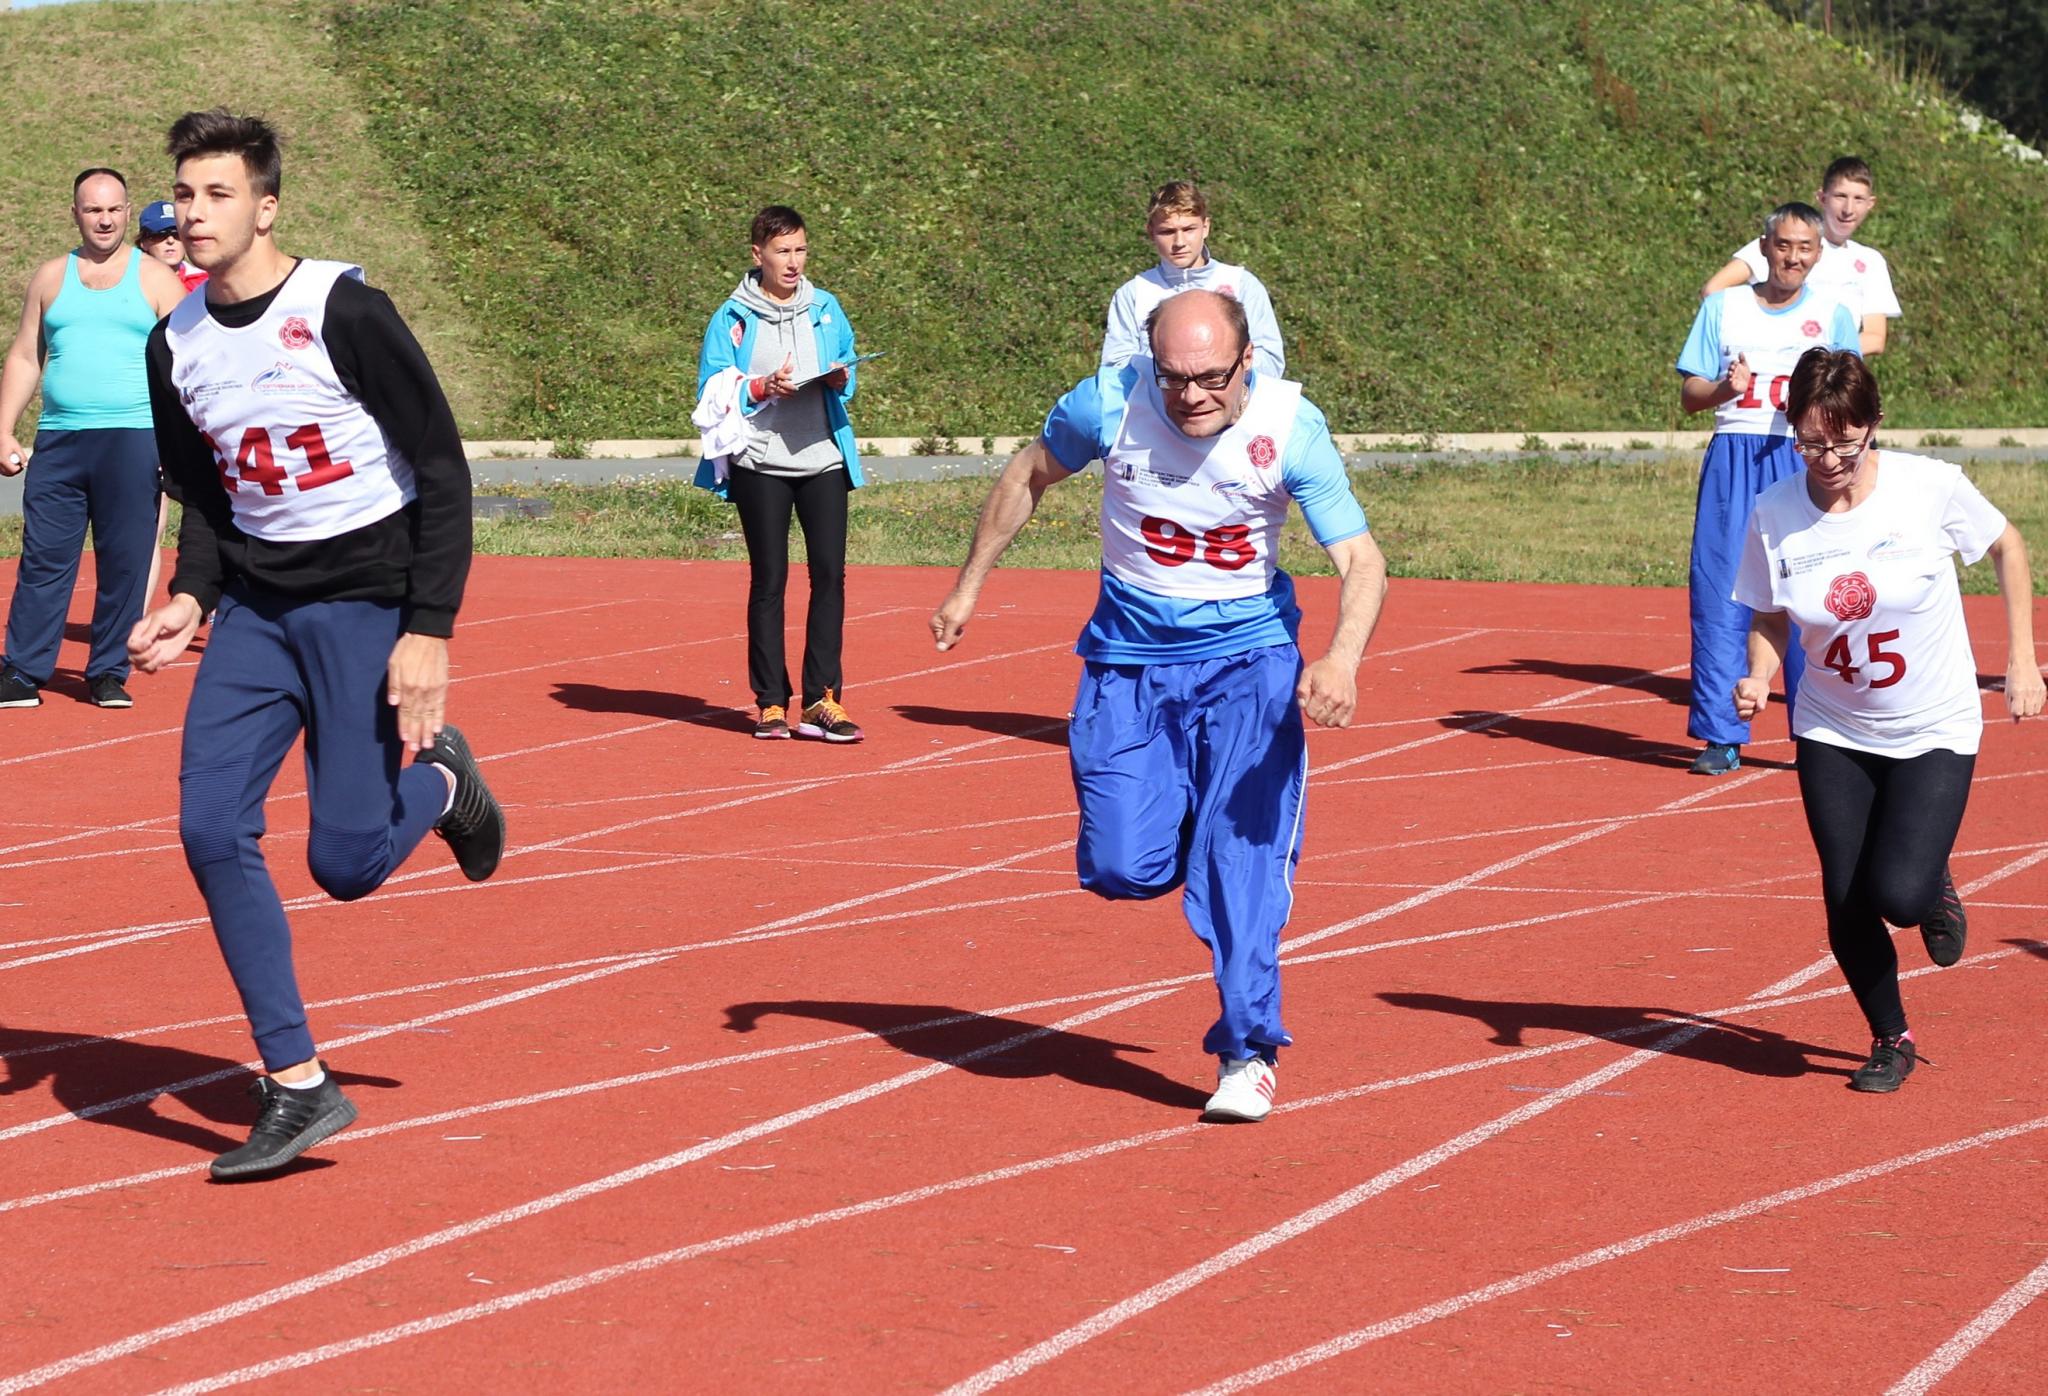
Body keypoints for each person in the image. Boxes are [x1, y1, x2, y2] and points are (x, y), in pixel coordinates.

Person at [126, 109, 506, 1179]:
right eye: (185, 196)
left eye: (217, 195)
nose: (194, 215)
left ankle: (440, 784)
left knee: (341, 864)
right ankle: (297, 1082)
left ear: (266, 204)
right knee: (209, 829)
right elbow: (204, 485)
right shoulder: (177, 341)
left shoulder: (343, 309)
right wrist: (193, 595)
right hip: (255, 608)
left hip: (364, 602)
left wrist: (427, 628)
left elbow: (441, 466)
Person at [931, 289, 1388, 1122]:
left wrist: (1341, 660)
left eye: (1211, 376)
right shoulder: (1108, 400)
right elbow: (1029, 471)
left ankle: (1248, 1052)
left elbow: (1361, 559)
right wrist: (969, 588)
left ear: (1247, 360)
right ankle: (1187, 823)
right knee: (1118, 866)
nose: (1192, 396)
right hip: (1128, 665)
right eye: (1175, 377)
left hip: (1247, 666)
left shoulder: (1290, 428)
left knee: (1239, 875)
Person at [1733, 348, 2041, 1092]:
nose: (1828, 458)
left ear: (1874, 426)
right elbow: (1771, 615)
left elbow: (2007, 546)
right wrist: (1759, 674)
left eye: (1844, 441)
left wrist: (2024, 658)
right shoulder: (1775, 513)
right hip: (1832, 728)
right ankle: (1890, 1037)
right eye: (1810, 442)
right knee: (1845, 895)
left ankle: (1932, 886)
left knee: (1898, 894)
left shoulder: (1928, 489)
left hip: (1933, 723)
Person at [1676, 202, 1860, 775]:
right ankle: (1721, 734)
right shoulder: (1723, 307)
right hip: (1735, 455)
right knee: (1722, 591)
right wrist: (1725, 392)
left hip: (1803, 457)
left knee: (1813, 590)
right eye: (1783, 246)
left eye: (1804, 247)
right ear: (1764, 247)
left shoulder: (1833, 312)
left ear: (1818, 253)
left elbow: (1851, 398)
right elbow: (1690, 395)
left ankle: (1820, 734)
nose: (1793, 257)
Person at [0, 168, 185, 710]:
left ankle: (107, 671)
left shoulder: (155, 279)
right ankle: (23, 670)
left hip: (133, 439)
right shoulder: (51, 277)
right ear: (76, 213)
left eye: (113, 209)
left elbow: (189, 366)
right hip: (60, 439)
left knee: (124, 560)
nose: (104, 219)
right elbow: (25, 355)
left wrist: (180, 447)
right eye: (92, 209)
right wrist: (4, 425)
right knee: (44, 558)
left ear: (128, 213)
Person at [692, 205, 866, 742]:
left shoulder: (827, 308)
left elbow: (849, 366)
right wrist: (761, 386)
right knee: (770, 580)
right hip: (760, 463)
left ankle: (821, 700)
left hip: (822, 460)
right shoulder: (732, 316)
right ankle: (771, 702)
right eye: (783, 251)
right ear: (758, 255)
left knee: (829, 577)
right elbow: (712, 387)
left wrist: (840, 378)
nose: (794, 262)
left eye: (801, 250)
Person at [1701, 157, 1901, 355]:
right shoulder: (1784, 241)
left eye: (1858, 199)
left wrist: (1817, 358)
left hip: (1830, 377)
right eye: (1840, 196)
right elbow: (1713, 290)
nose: (1848, 209)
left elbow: (1875, 337)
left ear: (1870, 204)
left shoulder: (1870, 261)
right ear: (1822, 198)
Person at [1101, 181, 1285, 380]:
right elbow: (1115, 370)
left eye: (1189, 229)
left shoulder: (1242, 284)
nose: (1179, 242)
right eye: (1167, 231)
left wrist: (1216, 372)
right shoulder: (1133, 294)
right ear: (1151, 232)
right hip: (1156, 408)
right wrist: (1171, 371)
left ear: (1205, 227)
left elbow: (1271, 363)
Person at [138, 199, 209, 292]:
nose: (170, 240)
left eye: (177, 234)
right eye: (160, 235)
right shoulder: (133, 284)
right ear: (143, 243)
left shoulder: (206, 282)